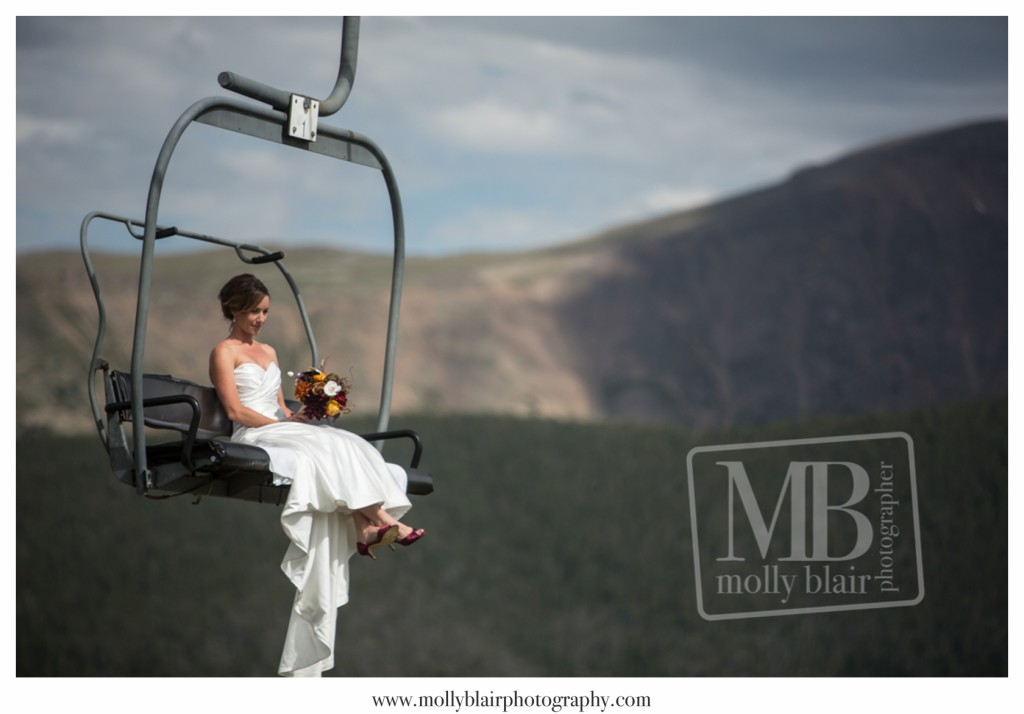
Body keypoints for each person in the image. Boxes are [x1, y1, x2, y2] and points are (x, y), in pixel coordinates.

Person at [209, 273, 424, 676]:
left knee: (347, 442)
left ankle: (366, 530)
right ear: (234, 308)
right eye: (254, 311)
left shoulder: (269, 351)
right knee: (326, 448)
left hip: (277, 426)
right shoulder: (223, 352)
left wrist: (303, 415)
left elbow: (279, 407)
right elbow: (237, 411)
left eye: (266, 311)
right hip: (253, 433)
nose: (260, 318)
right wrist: (280, 427)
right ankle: (380, 519)